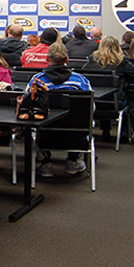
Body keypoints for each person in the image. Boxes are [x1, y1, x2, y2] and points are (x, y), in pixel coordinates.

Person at [26, 43, 92, 178]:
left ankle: (46, 163)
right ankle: (72, 161)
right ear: (66, 60)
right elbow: (91, 109)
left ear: (46, 59)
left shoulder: (36, 81)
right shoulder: (80, 81)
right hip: (77, 134)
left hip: (45, 133)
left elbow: (28, 105)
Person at [84, 36, 134, 136]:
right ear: (118, 47)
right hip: (116, 103)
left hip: (94, 101)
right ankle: (125, 132)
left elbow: (83, 74)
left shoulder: (92, 60)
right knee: (128, 98)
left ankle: (106, 130)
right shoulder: (121, 62)